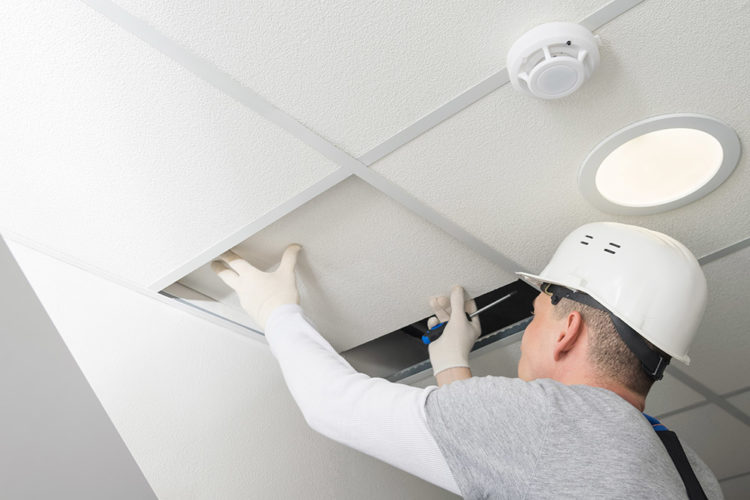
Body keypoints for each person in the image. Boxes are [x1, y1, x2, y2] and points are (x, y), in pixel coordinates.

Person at [212, 221, 723, 499]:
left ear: (567, 330)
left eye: (535, 314)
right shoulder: (691, 472)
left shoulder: (550, 423)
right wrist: (450, 362)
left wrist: (276, 312)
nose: (527, 333)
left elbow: (331, 404)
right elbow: (509, 463)